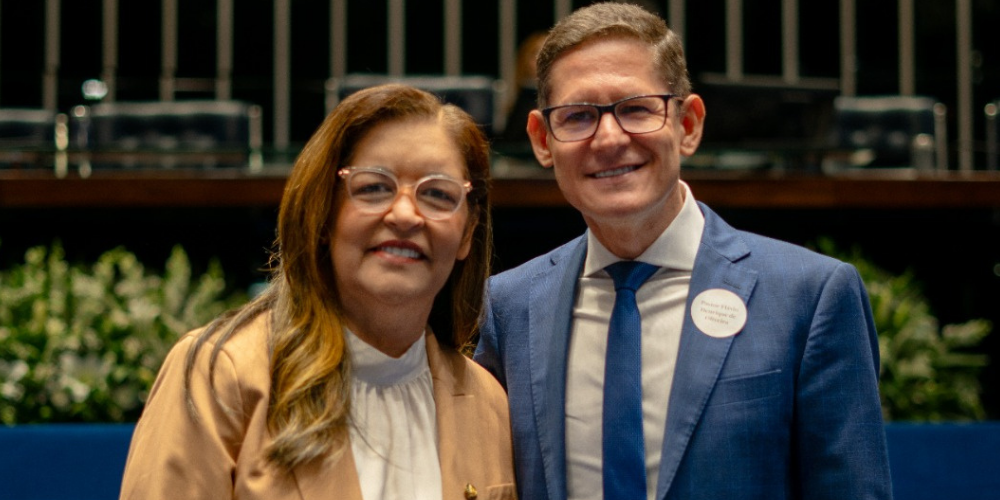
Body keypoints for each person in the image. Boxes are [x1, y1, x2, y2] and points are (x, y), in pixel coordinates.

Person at [473, 3, 892, 500]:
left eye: (635, 109)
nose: (609, 138)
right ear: (543, 140)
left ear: (688, 124)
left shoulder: (811, 296)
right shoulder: (510, 306)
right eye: (578, 116)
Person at [120, 84, 516, 500]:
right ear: (325, 214)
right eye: (373, 188)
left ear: (468, 231)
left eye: (437, 194)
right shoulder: (222, 375)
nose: (404, 214)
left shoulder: (488, 402)